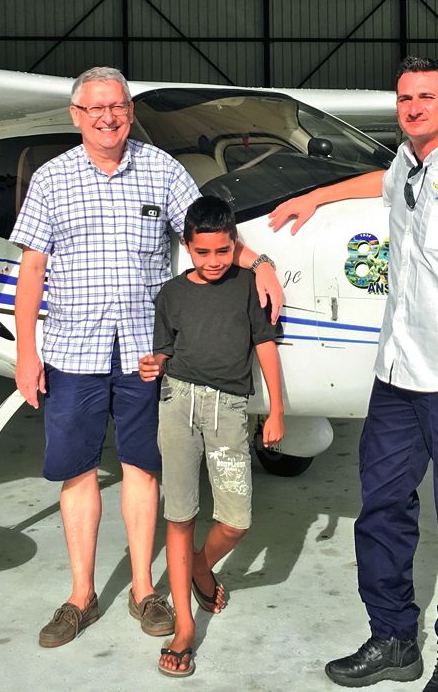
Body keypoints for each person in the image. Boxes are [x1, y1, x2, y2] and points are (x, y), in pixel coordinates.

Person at [268, 56, 438, 692]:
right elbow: (379, 182)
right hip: (396, 374)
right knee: (382, 510)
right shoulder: (406, 162)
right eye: (404, 99)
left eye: (425, 97)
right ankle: (392, 640)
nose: (413, 108)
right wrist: (316, 196)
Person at [10, 66, 283, 649]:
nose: (108, 117)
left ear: (130, 112)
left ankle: (142, 591)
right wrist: (25, 353)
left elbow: (210, 232)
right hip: (73, 349)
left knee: (142, 467)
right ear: (76, 116)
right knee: (77, 471)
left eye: (118, 106)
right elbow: (32, 270)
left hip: (146, 352)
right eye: (96, 108)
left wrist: (260, 264)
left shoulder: (162, 170)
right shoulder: (51, 180)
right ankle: (80, 597)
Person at [137, 194, 286, 678]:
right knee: (180, 514)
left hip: (229, 409)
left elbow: (265, 345)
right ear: (187, 246)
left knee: (237, 520)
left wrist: (277, 410)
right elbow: (164, 351)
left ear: (234, 243)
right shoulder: (171, 294)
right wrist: (153, 364)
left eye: (223, 250)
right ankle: (184, 629)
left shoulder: (247, 286)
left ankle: (200, 566)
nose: (214, 261)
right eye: (202, 252)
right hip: (177, 402)